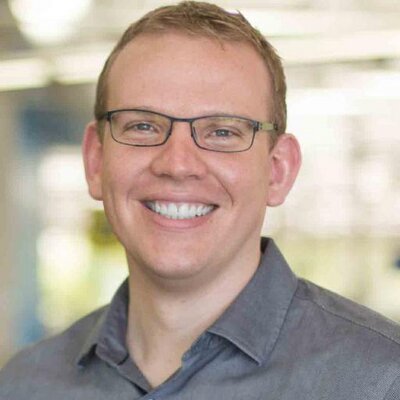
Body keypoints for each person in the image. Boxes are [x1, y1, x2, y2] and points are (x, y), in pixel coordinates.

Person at [1, 1, 400, 399]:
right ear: (95, 161)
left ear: (278, 170)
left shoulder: (381, 381)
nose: (177, 164)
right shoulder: (24, 385)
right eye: (143, 126)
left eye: (222, 132)